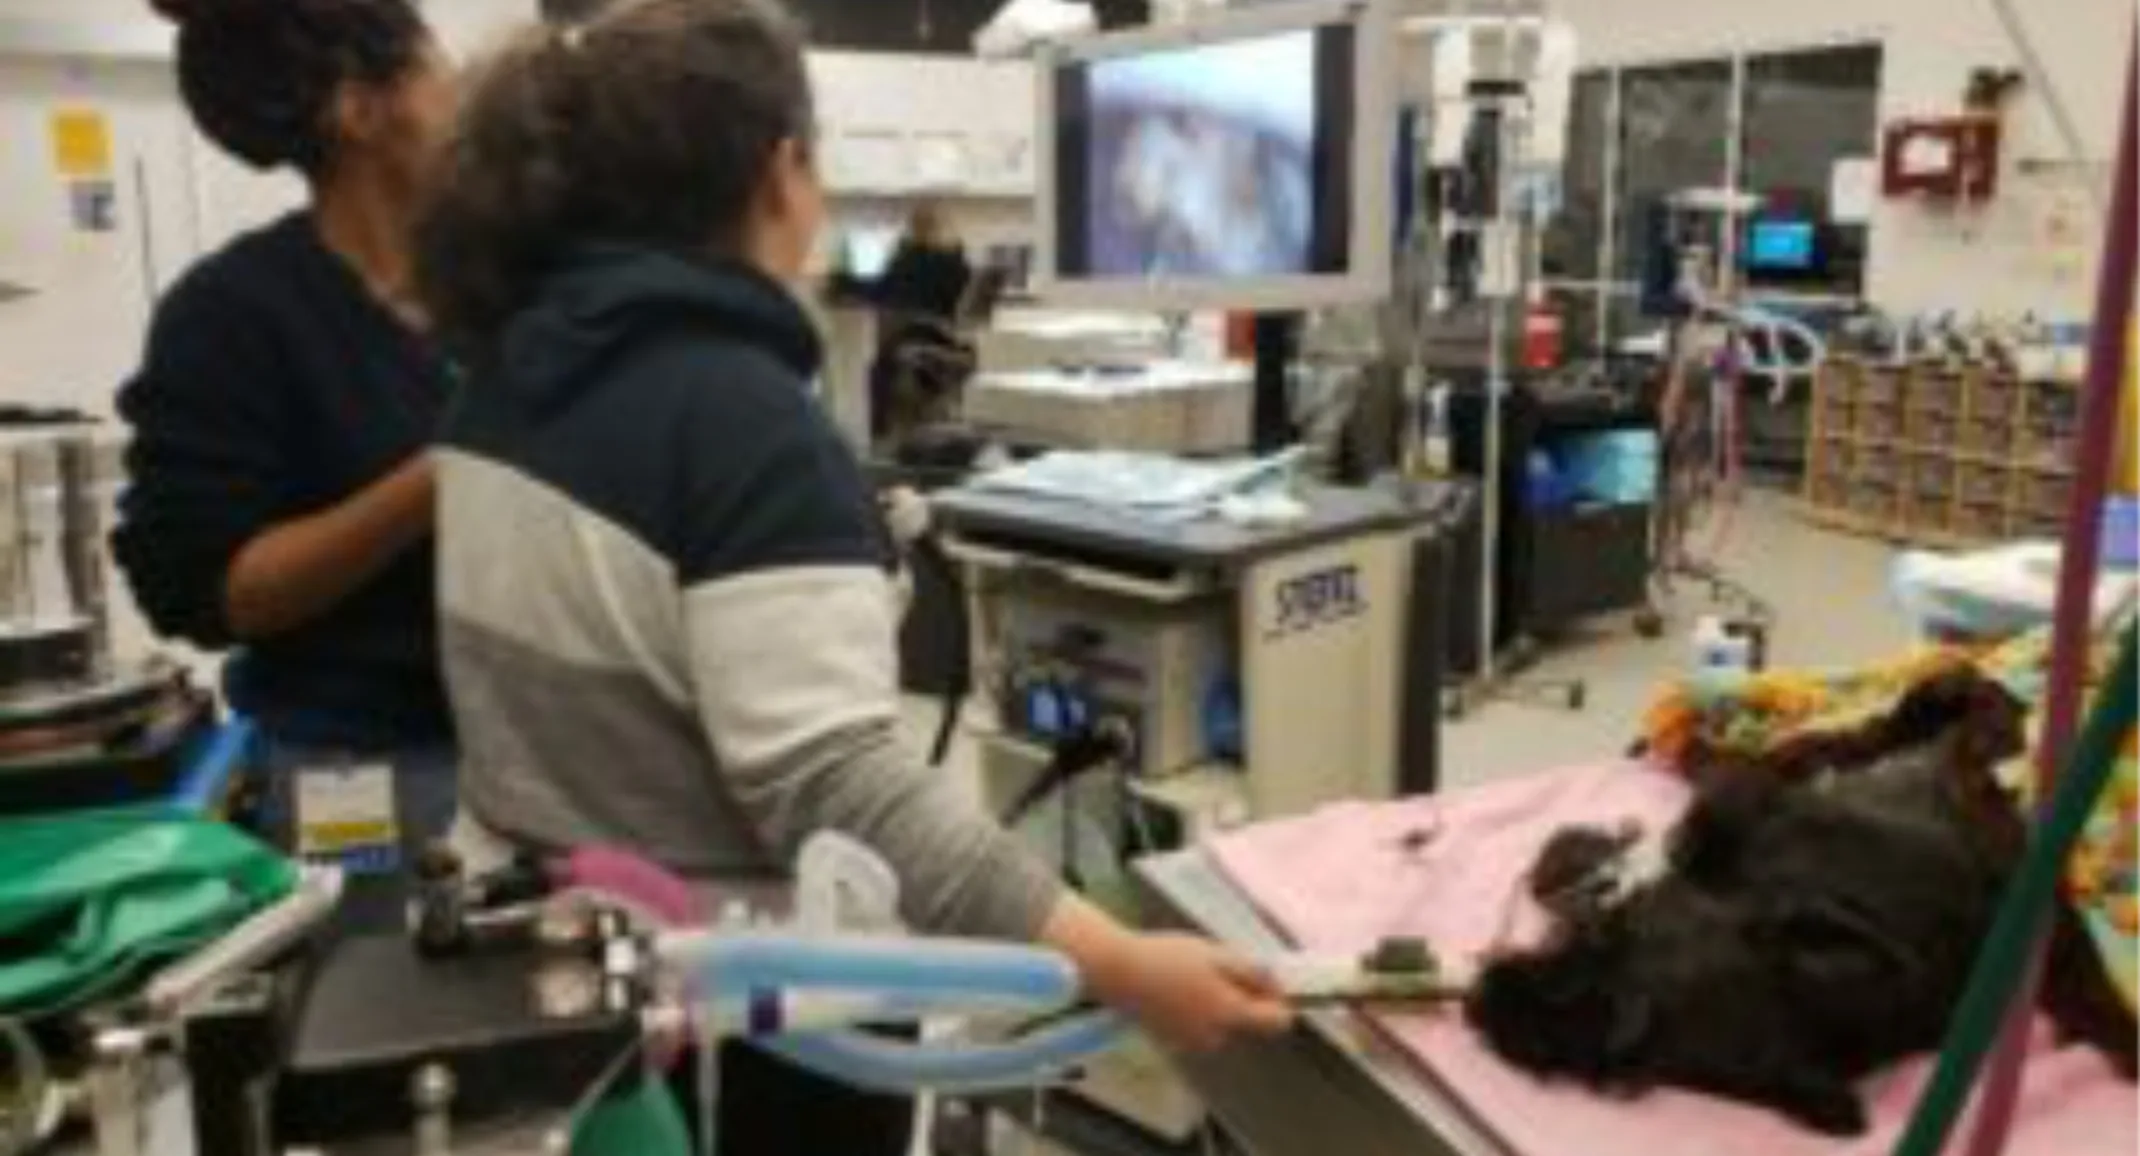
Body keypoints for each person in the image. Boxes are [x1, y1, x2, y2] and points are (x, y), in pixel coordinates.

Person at [412, 1, 1291, 1152]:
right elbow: (841, 786)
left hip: (549, 985)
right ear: (781, 172)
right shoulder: (735, 419)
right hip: (742, 1027)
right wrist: (1125, 964)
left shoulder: (501, 378)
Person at [113, 0, 459, 925]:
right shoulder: (234, 317)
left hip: (541, 757)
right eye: (441, 73)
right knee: (376, 1019)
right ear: (360, 109)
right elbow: (212, 590)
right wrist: (435, 478)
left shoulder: (505, 287)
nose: (463, 100)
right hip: (362, 772)